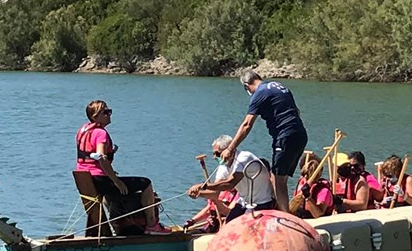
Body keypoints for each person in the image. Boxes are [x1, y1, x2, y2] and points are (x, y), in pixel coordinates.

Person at [75, 100, 169, 235]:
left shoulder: (82, 131)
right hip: (100, 180)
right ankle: (152, 225)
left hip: (87, 180)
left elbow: (91, 158)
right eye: (105, 112)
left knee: (116, 188)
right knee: (146, 183)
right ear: (95, 116)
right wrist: (116, 181)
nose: (109, 115)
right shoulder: (101, 133)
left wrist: (111, 172)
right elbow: (101, 157)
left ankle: (116, 226)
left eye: (110, 111)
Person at [220, 71, 308, 212]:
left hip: (284, 136)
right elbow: (297, 112)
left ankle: (285, 218)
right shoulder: (280, 86)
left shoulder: (259, 93)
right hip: (300, 134)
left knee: (278, 180)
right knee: (279, 177)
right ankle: (281, 212)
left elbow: (247, 124)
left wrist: (230, 148)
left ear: (246, 86)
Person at [187, 133, 276, 224]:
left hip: (262, 202)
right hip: (244, 202)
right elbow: (214, 192)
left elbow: (230, 184)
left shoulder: (244, 158)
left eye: (217, 153)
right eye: (213, 154)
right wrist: (198, 193)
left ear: (229, 150)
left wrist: (203, 186)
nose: (214, 157)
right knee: (228, 224)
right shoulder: (223, 166)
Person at [292, 153, 335, 219]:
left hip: (317, 222)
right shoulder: (301, 184)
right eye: (304, 174)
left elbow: (318, 214)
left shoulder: (323, 191)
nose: (305, 177)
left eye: (308, 173)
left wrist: (308, 197)